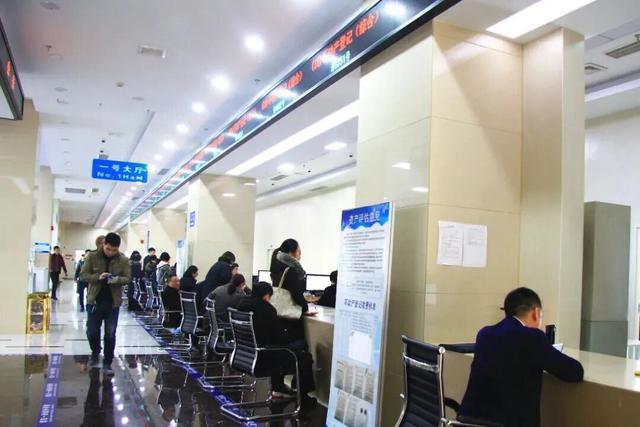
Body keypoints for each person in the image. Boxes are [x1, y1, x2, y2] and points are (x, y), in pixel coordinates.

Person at [459, 287, 584, 427]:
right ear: (536, 313)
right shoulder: (532, 337)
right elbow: (575, 372)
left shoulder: (485, 333)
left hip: (468, 420)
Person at [237, 282, 316, 409]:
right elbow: (281, 338)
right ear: (266, 296)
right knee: (303, 356)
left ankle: (279, 388)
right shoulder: (267, 309)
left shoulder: (241, 304)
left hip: (244, 355)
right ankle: (303, 397)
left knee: (283, 348)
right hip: (263, 358)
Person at [80, 232, 131, 376]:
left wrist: (115, 279)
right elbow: (83, 275)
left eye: (114, 250)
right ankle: (96, 351)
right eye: (108, 249)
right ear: (104, 244)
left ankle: (108, 362)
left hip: (113, 303)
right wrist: (98, 277)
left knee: (110, 334)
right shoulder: (92, 256)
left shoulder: (123, 260)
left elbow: (127, 278)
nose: (111, 252)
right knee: (92, 331)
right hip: (94, 301)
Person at [270, 239, 308, 340]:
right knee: (299, 342)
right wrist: (305, 308)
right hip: (290, 316)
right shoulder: (290, 269)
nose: (300, 255)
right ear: (291, 252)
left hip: (280, 313)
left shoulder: (276, 267)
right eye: (298, 251)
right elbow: (296, 292)